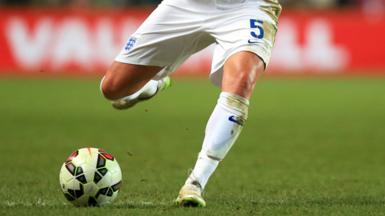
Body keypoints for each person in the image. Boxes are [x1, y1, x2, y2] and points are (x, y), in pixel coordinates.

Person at [100, 0, 281, 207]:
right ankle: (150, 86)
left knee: (241, 82)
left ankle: (196, 182)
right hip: (188, 4)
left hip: (246, 6)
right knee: (112, 88)